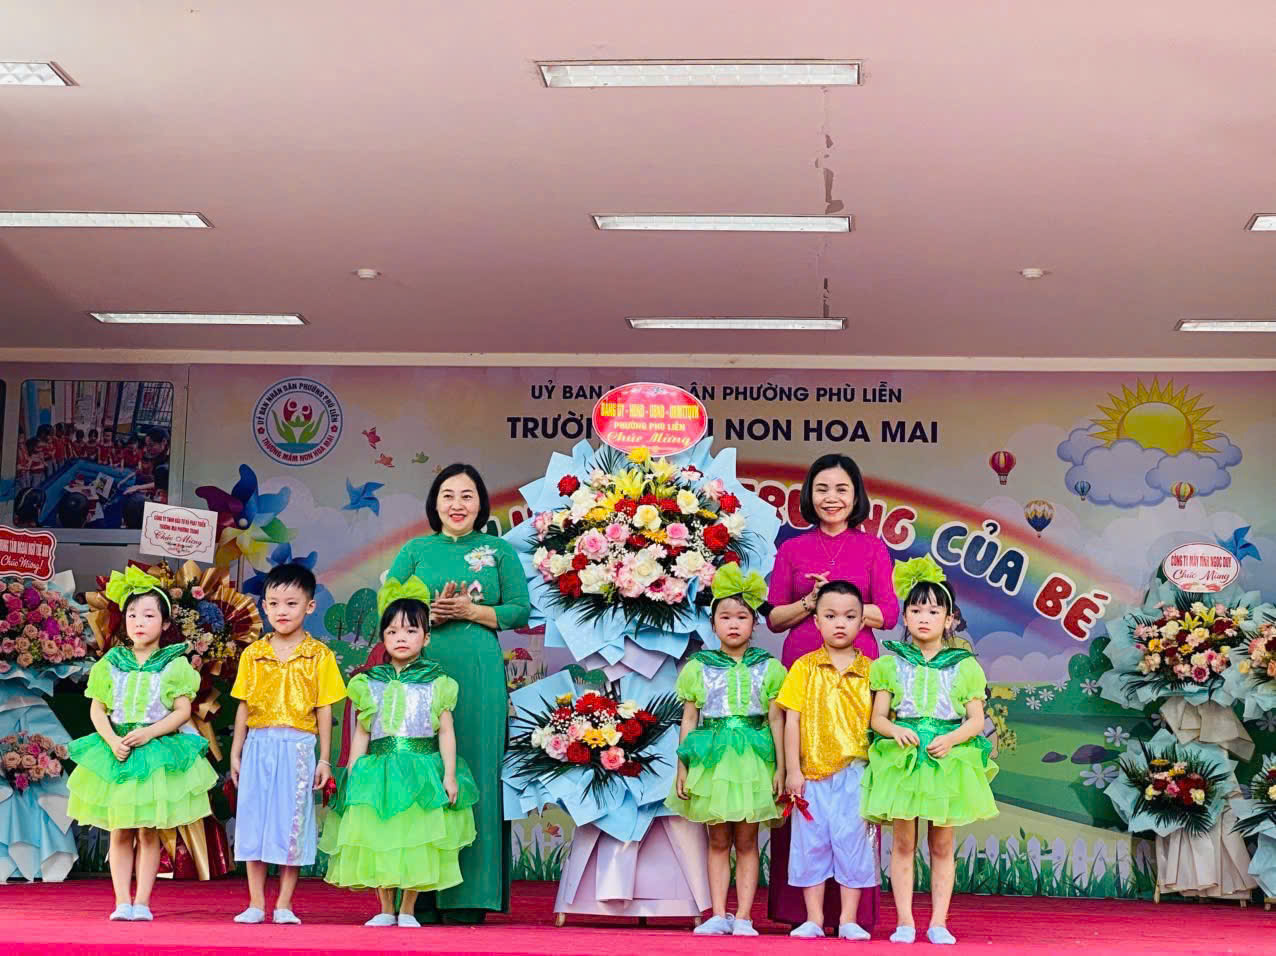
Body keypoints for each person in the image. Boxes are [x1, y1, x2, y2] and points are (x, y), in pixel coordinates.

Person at [379, 462, 530, 923]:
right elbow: (388, 608)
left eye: (467, 495)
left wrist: (471, 611)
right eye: (448, 495)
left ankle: (471, 895)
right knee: (419, 769)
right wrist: (429, 616)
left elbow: (520, 610)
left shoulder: (498, 550)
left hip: (479, 674)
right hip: (419, 672)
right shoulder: (415, 550)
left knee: (476, 768)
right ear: (435, 503)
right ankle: (417, 895)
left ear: (481, 503)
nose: (457, 504)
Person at [765, 453, 898, 929]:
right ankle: (798, 912)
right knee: (800, 785)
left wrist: (844, 605)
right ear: (809, 494)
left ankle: (852, 915)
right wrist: (812, 602)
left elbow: (889, 613)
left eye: (842, 489)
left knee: (853, 796)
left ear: (856, 495)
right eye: (822, 489)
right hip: (803, 667)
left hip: (857, 674)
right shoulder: (792, 549)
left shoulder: (873, 549)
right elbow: (774, 617)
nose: (832, 498)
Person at [321, 576, 478, 926]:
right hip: (378, 771)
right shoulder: (368, 683)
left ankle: (407, 909)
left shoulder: (438, 683)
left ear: (426, 637)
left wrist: (449, 775)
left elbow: (446, 732)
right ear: (383, 639)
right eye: (392, 632)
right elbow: (362, 731)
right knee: (381, 836)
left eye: (410, 631)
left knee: (415, 839)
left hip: (421, 770)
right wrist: (354, 770)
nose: (401, 638)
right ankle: (384, 908)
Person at [860, 557, 998, 945]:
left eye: (934, 611)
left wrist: (951, 739)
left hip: (945, 760)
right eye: (917, 610)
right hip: (904, 761)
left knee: (942, 845)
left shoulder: (964, 667)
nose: (924, 618)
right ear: (905, 616)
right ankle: (905, 921)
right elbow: (877, 719)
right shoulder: (890, 665)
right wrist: (895, 730)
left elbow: (975, 720)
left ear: (949, 619)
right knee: (903, 844)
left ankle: (938, 922)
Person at [65, 567, 215, 920]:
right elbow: (98, 708)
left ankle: (143, 902)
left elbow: (183, 711)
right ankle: (122, 901)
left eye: (148, 615)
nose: (138, 622)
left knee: (148, 831)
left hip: (154, 751)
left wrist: (150, 733)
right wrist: (111, 739)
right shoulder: (111, 663)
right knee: (120, 829)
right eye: (132, 615)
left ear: (165, 623)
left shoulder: (174, 664)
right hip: (118, 751)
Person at [665, 566, 786, 936]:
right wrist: (683, 767)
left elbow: (777, 720)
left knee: (747, 841)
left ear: (754, 623)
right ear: (713, 623)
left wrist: (782, 768)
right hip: (713, 761)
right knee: (718, 840)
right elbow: (689, 719)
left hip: (754, 760)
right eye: (725, 617)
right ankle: (718, 913)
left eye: (742, 617)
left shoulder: (769, 667)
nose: (734, 624)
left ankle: (744, 916)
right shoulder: (698, 668)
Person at [229, 563, 346, 925]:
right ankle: (254, 903)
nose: (282, 611)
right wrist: (236, 750)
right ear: (264, 606)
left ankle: (284, 904)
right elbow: (243, 705)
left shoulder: (319, 656)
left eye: (292, 603)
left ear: (309, 606)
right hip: (258, 743)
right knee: (254, 820)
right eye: (275, 603)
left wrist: (324, 759)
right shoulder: (253, 654)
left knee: (292, 822)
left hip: (298, 745)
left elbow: (325, 709)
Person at [776, 580, 878, 941]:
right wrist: (793, 770)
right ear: (816, 621)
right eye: (831, 616)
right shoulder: (804, 667)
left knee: (854, 842)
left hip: (856, 772)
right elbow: (791, 721)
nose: (840, 624)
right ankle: (814, 919)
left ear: (862, 621)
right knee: (811, 843)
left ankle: (849, 919)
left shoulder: (873, 671)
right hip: (812, 774)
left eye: (849, 616)